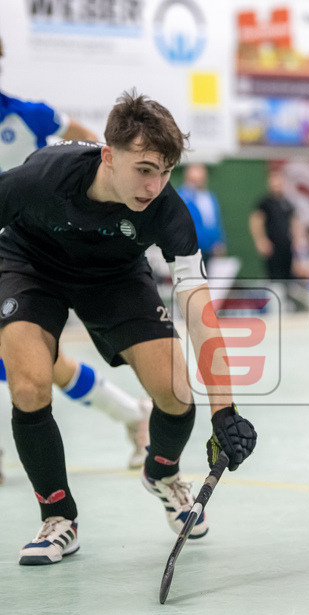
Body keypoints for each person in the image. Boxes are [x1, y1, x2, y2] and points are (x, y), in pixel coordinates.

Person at [0, 90, 257, 565]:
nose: (154, 186)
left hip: (115, 278)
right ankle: (58, 517)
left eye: (166, 171)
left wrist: (224, 410)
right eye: (143, 169)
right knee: (30, 384)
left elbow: (199, 309)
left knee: (176, 390)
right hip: (31, 268)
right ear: (108, 156)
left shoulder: (169, 211)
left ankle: (162, 472)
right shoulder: (38, 179)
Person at [0, 35, 151, 478]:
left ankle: (134, 413)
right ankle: (132, 413)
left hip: (22, 253)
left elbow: (87, 143)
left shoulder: (31, 115)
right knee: (37, 365)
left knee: (39, 364)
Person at [249, 169, 302, 281]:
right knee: (274, 275)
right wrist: (260, 241)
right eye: (274, 180)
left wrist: (297, 240)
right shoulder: (265, 203)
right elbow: (256, 221)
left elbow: (294, 222)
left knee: (287, 275)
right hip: (272, 246)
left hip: (286, 245)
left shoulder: (287, 203)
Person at [177, 163, 224, 264]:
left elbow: (215, 222)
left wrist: (219, 242)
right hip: (188, 250)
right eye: (194, 180)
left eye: (201, 179)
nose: (198, 183)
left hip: (209, 250)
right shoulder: (181, 197)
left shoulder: (209, 197)